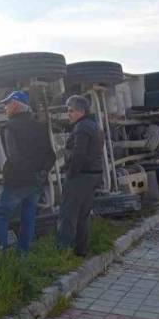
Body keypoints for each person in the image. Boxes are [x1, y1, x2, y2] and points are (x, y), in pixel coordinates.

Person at [0, 90, 56, 253]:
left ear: (15, 105)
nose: (5, 108)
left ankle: (1, 254)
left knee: (2, 214)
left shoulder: (9, 127)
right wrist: (41, 173)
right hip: (36, 181)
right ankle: (23, 253)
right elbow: (51, 155)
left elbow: (14, 157)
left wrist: (26, 174)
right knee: (28, 216)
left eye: (7, 104)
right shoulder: (39, 125)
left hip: (17, 181)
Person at [58, 95, 104, 257]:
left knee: (68, 214)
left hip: (81, 176)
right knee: (83, 215)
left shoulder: (81, 128)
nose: (68, 114)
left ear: (81, 111)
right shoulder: (94, 125)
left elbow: (79, 154)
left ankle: (63, 251)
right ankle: (81, 250)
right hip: (93, 175)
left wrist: (70, 173)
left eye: (71, 111)